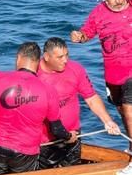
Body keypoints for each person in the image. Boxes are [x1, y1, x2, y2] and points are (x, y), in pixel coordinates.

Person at [0, 42, 75, 175]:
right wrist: (69, 136)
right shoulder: (47, 90)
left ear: (18, 58)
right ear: (37, 62)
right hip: (26, 152)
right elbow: (56, 129)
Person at [69, 0, 132, 175]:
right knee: (122, 110)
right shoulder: (99, 13)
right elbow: (88, 33)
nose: (119, 0)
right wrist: (79, 37)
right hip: (113, 74)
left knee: (130, 111)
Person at [38, 37, 120, 168]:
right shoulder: (34, 76)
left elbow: (91, 97)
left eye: (66, 55)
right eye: (60, 57)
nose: (65, 60)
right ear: (46, 56)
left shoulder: (76, 69)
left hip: (74, 135)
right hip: (44, 142)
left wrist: (107, 121)